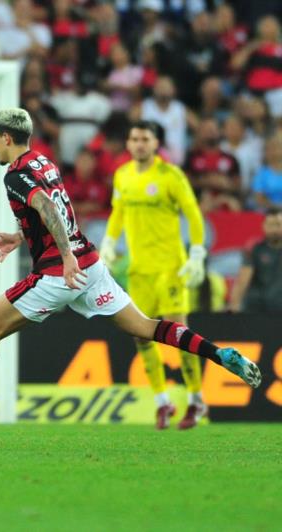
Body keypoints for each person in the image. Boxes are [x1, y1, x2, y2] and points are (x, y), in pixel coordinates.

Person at [0, 108, 260, 438]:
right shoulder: (43, 162)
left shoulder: (14, 174)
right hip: (91, 266)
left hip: (59, 273)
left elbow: (46, 207)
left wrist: (64, 256)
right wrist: (22, 235)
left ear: (5, 137)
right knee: (146, 327)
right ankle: (219, 354)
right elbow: (57, 207)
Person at [100, 120, 210, 430]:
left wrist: (197, 252)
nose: (138, 144)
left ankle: (196, 400)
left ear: (156, 144)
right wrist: (109, 242)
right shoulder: (122, 176)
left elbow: (193, 212)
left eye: (145, 139)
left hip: (169, 268)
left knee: (178, 334)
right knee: (140, 334)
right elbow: (118, 212)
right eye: (134, 138)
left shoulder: (170, 175)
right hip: (139, 270)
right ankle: (163, 402)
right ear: (128, 143)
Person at [229, 209, 282, 313]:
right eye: (270, 225)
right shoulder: (254, 248)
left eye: (278, 224)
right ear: (263, 226)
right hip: (256, 309)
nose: (274, 229)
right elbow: (242, 280)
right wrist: (234, 305)